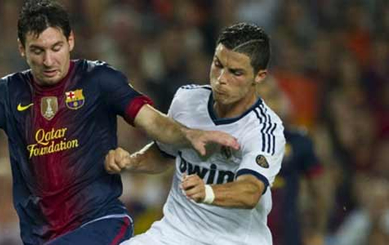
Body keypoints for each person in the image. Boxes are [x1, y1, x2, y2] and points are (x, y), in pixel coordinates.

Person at [0, 1, 239, 244]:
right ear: (22, 49)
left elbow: (154, 123)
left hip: (101, 222)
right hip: (42, 236)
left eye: (56, 48)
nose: (48, 60)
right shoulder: (7, 92)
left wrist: (190, 135)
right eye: (38, 51)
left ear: (70, 40)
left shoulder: (98, 79)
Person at [105, 22, 285, 245]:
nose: (221, 79)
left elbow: (250, 191)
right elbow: (165, 154)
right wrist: (132, 161)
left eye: (235, 73)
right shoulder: (187, 99)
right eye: (218, 65)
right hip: (174, 233)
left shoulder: (265, 129)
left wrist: (207, 192)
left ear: (259, 76)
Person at [258, 77, 330, 245]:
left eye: (272, 96)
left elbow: (320, 192)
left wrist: (317, 231)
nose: (267, 104)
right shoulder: (232, 143)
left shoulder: (299, 143)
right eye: (260, 97)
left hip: (288, 236)